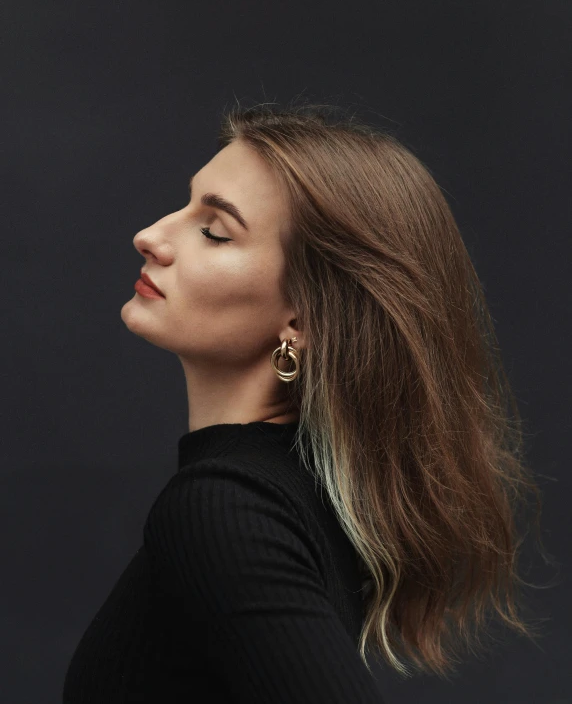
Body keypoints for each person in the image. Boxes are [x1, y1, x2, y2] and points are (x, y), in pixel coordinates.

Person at [63, 101, 547, 703]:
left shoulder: (220, 508)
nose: (152, 235)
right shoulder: (302, 492)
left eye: (214, 231)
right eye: (185, 205)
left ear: (304, 320)